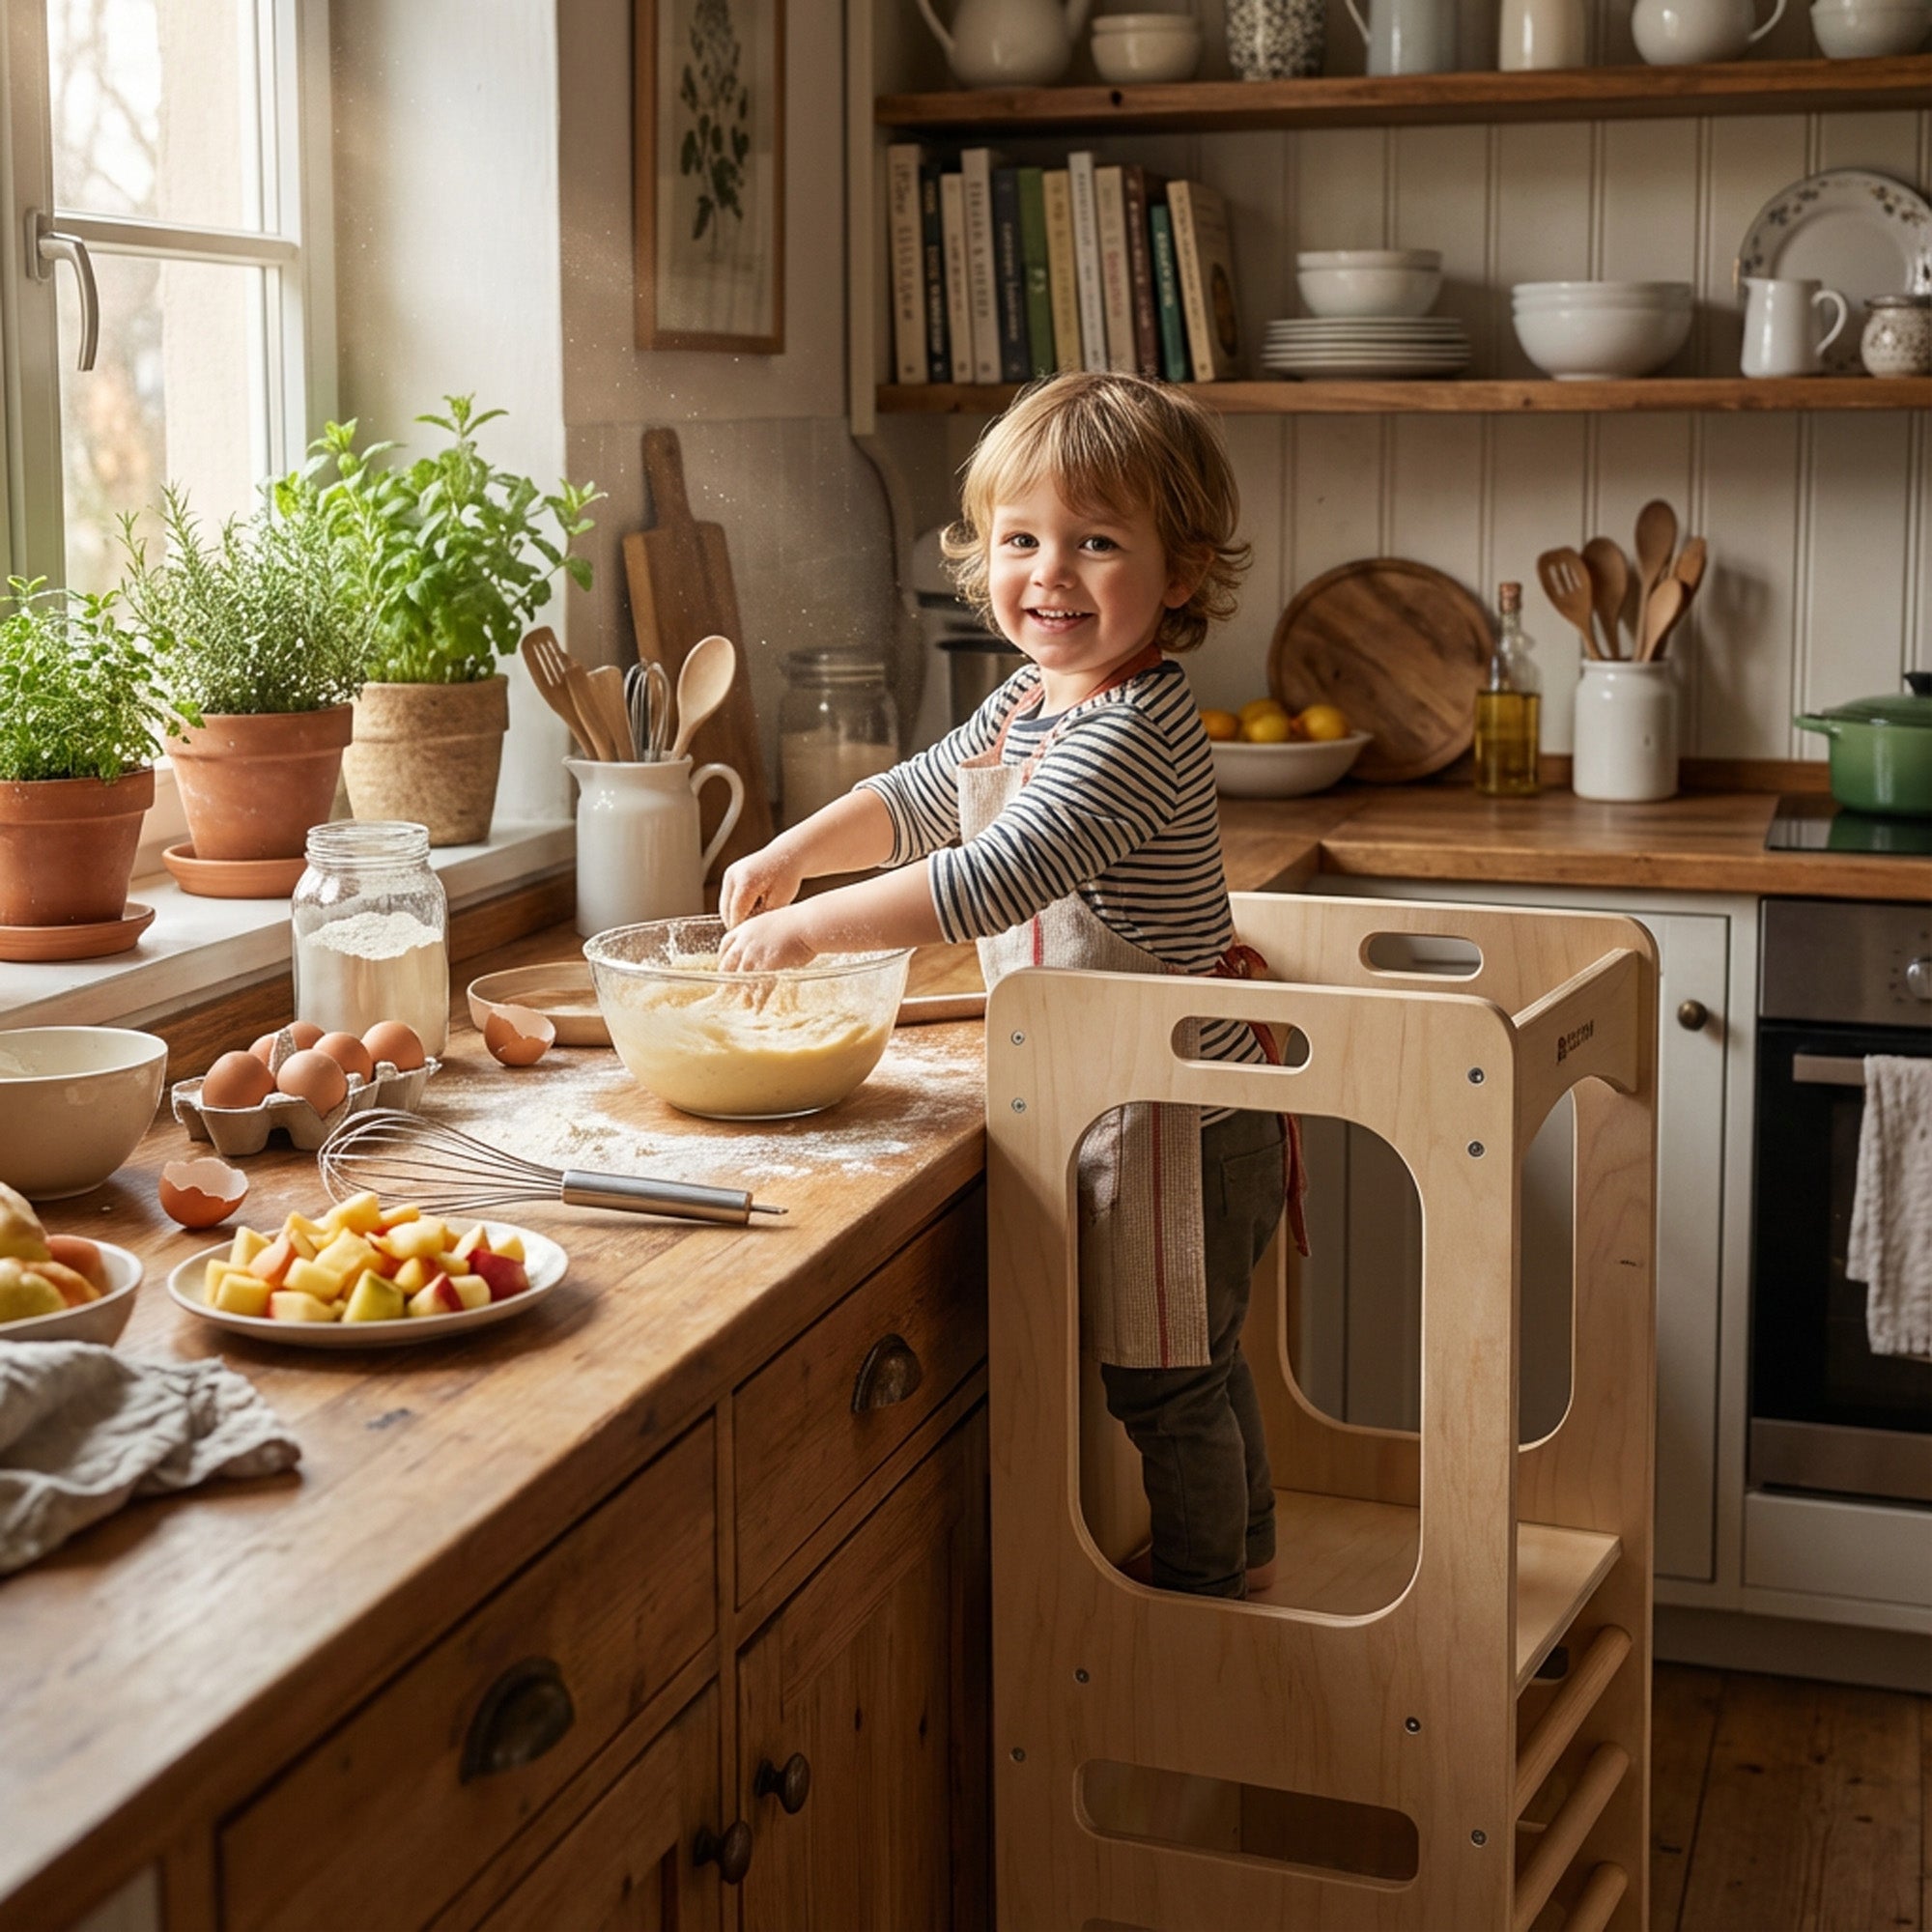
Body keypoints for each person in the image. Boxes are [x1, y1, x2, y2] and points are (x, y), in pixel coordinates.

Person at [719, 370, 1306, 1600]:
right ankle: (1240, 1547)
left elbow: (989, 876)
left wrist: (808, 931)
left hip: (1178, 1119)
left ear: (1181, 571)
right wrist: (786, 851)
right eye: (1020, 539)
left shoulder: (1131, 728)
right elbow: (918, 794)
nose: (1048, 574)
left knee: (1168, 1379)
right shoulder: (1034, 700)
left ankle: (1204, 1595)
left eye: (1096, 543)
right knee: (1192, 1362)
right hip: (1114, 1095)